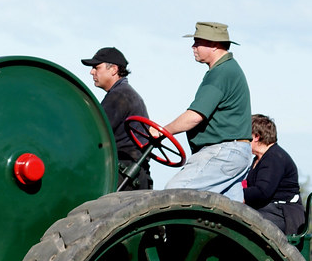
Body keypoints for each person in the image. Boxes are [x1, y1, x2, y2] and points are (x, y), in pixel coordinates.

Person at [161, 22, 253, 200]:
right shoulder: (228, 69)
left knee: (173, 194)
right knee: (229, 215)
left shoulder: (221, 73)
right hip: (235, 152)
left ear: (214, 44)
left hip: (223, 152)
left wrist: (161, 131)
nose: (193, 47)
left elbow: (194, 117)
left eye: (197, 42)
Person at [81, 47, 153, 189]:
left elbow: (95, 133)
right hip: (135, 173)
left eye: (96, 67)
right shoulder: (126, 94)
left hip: (125, 174)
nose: (92, 72)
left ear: (113, 69)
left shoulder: (119, 96)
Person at [243, 114, 306, 235]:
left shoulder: (274, 157)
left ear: (256, 137)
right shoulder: (259, 158)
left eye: (244, 136)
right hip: (267, 209)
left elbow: (262, 192)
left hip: (282, 214)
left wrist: (233, 193)